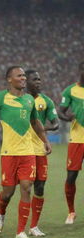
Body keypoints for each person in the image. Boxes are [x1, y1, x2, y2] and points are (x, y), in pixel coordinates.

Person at [0, 66, 52, 238]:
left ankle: (20, 231)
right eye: (19, 76)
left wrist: (45, 141)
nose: (23, 79)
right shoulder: (0, 97)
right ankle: (1, 213)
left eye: (24, 76)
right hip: (9, 153)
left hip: (28, 152)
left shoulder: (29, 99)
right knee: (8, 193)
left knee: (26, 188)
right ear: (9, 79)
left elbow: (35, 122)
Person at [26, 69, 59, 236]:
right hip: (20, 148)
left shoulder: (46, 101)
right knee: (11, 189)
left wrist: (40, 129)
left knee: (39, 186)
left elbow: (56, 123)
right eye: (34, 79)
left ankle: (33, 226)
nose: (38, 82)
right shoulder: (19, 100)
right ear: (26, 82)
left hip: (39, 148)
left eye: (39, 79)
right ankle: (0, 215)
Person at [58, 61, 84, 224]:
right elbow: (61, 110)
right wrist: (68, 117)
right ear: (80, 70)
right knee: (71, 176)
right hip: (77, 140)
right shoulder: (70, 90)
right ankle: (71, 212)